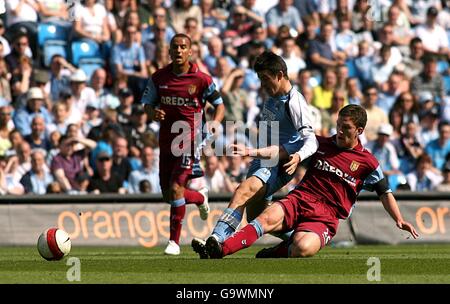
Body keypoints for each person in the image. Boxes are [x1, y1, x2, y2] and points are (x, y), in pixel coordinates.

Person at [201, 104, 419, 259]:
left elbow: (384, 192)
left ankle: (276, 252)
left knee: (303, 248)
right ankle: (220, 249)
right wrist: (251, 151)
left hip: (326, 217)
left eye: (347, 128)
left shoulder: (368, 162)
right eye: (339, 125)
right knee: (265, 218)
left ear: (359, 131)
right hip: (300, 199)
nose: (340, 130)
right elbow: (284, 150)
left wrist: (398, 219)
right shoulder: (318, 144)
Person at [191, 51, 318, 258]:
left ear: (279, 74)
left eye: (266, 79)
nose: (262, 85)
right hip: (262, 161)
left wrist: (298, 156)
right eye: (260, 79)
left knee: (243, 191)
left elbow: (311, 139)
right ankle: (300, 237)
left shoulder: (294, 102)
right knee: (259, 217)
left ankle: (216, 239)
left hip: (278, 161)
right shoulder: (272, 96)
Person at [140, 33, 225, 256]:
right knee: (169, 195)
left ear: (190, 51)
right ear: (169, 51)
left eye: (183, 47)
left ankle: (174, 243)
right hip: (166, 141)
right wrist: (153, 113)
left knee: (177, 188)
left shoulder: (202, 79)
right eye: (175, 47)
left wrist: (215, 123)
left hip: (189, 140)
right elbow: (147, 105)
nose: (178, 50)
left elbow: (219, 104)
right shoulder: (159, 78)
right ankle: (199, 197)